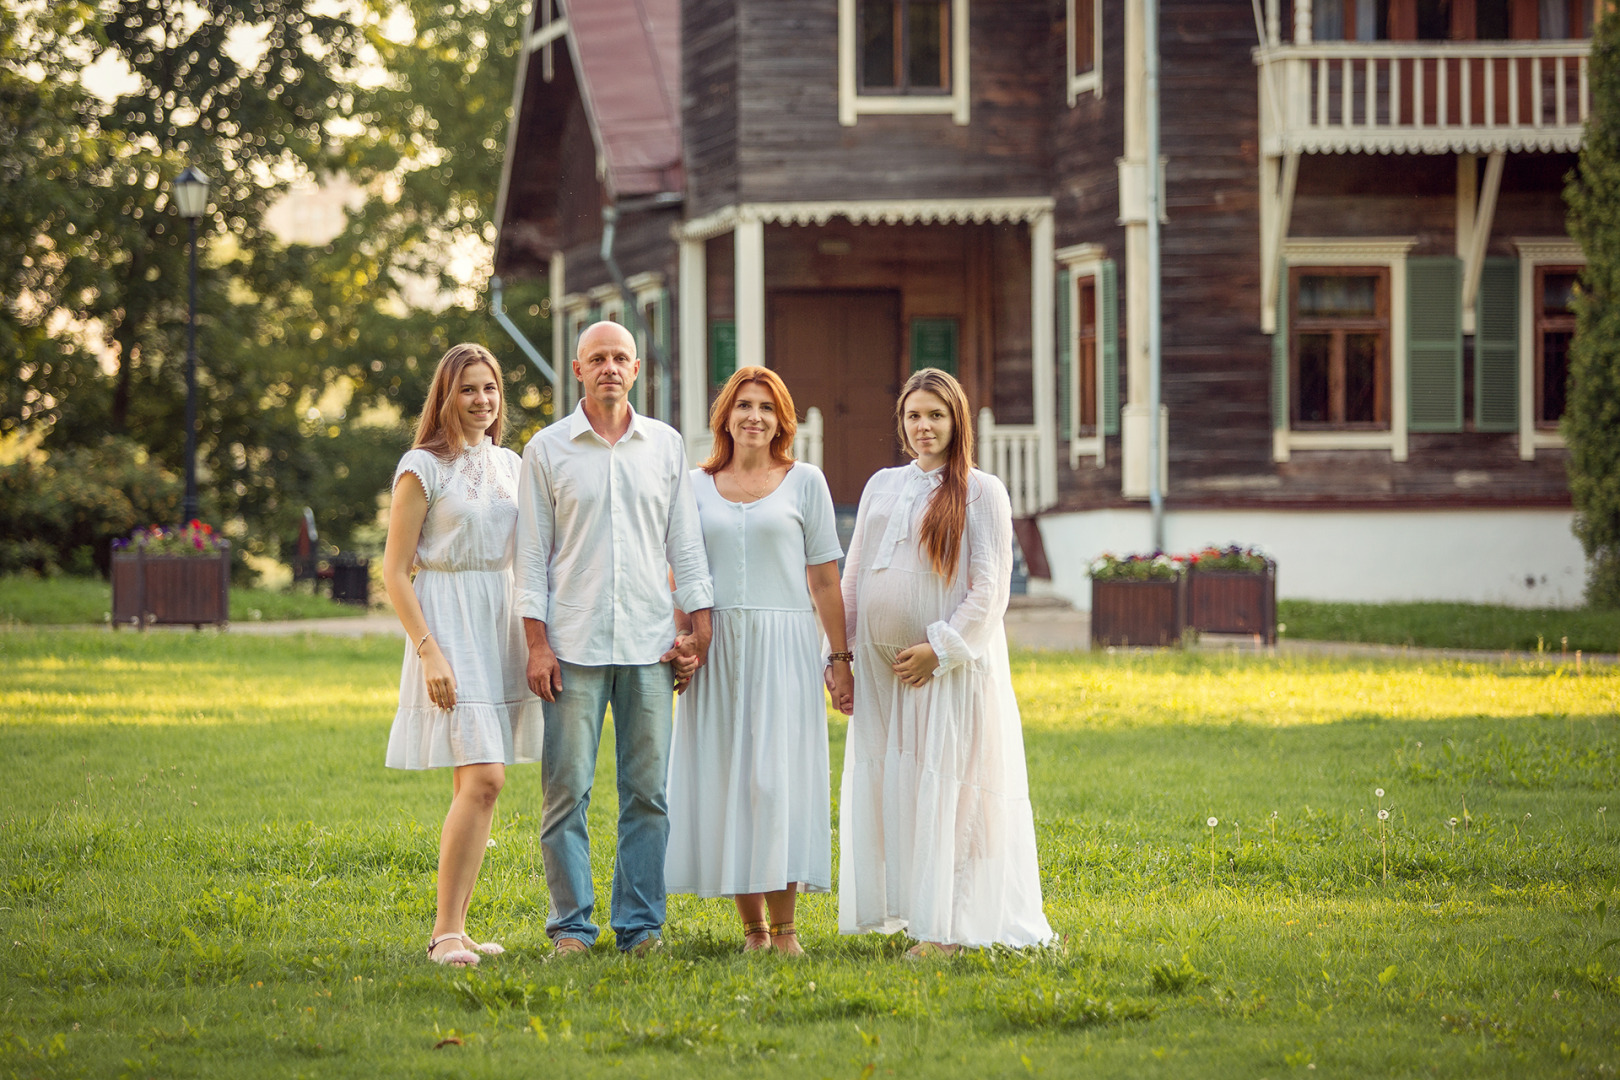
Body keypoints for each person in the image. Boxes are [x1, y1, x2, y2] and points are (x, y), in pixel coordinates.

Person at [515, 320, 714, 958]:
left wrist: (698, 626)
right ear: (577, 370)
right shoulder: (546, 450)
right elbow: (531, 557)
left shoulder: (666, 445)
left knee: (648, 794)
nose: (609, 367)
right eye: (597, 358)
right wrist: (537, 644)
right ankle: (571, 928)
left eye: (620, 357)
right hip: (571, 648)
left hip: (651, 646)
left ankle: (640, 927)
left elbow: (684, 542)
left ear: (635, 369)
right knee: (566, 790)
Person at [838, 368, 1053, 957]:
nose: (924, 426)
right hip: (883, 676)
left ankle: (950, 929)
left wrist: (940, 650)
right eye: (913, 415)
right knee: (902, 791)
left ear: (956, 420)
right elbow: (853, 576)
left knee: (952, 794)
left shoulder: (983, 491)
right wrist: (841, 656)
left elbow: (990, 591)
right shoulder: (882, 484)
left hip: (947, 671)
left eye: (935, 414)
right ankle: (918, 911)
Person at [664, 367, 854, 955]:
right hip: (715, 648)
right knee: (731, 784)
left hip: (786, 647)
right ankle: (753, 931)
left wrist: (840, 659)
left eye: (766, 408)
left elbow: (824, 580)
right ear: (724, 416)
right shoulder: (693, 486)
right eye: (743, 405)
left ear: (781, 419)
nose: (754, 416)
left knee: (777, 782)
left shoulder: (806, 482)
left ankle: (789, 928)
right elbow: (679, 574)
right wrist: (683, 640)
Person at [382, 342, 543, 967]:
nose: (482, 401)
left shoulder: (513, 464)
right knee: (485, 777)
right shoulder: (422, 467)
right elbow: (395, 571)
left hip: (499, 620)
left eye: (491, 390)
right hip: (446, 623)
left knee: (476, 784)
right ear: (446, 396)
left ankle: (458, 928)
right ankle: (444, 931)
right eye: (469, 389)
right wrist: (429, 653)